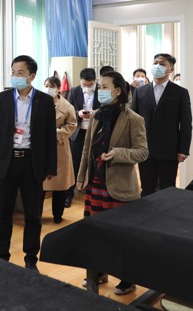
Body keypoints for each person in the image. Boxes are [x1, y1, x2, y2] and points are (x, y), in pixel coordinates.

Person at [76, 71, 148, 296]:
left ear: (117, 91)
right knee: (96, 233)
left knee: (121, 236)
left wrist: (118, 153)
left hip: (119, 186)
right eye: (100, 86)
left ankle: (127, 278)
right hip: (96, 183)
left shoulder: (133, 119)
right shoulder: (96, 115)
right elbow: (87, 148)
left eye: (105, 87)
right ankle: (99, 272)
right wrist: (81, 176)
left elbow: (142, 152)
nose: (101, 90)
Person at [0, 55, 57, 272]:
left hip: (32, 164)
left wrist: (50, 166)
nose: (15, 76)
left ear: (32, 76)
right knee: (3, 214)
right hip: (6, 163)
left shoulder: (44, 101)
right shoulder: (2, 99)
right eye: (13, 72)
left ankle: (31, 259)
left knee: (33, 215)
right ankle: (1, 256)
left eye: (21, 73)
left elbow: (49, 137)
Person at [130, 53, 192, 197]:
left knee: (168, 190)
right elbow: (133, 120)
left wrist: (183, 149)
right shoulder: (140, 91)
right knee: (147, 189)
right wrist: (132, 146)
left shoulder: (180, 92)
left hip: (169, 150)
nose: (157, 66)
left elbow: (186, 123)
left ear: (171, 70)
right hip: (145, 149)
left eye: (162, 64)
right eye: (155, 63)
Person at [42, 76, 77, 223]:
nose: (48, 89)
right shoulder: (39, 102)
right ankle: (36, 215)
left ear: (58, 88)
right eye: (46, 86)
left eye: (51, 86)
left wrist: (53, 133)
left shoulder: (67, 106)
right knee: (39, 185)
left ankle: (58, 215)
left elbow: (72, 125)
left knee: (60, 185)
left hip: (59, 147)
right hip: (41, 148)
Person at [65, 68, 99, 205]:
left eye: (90, 85)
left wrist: (95, 113)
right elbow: (69, 109)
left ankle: (94, 193)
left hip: (96, 132)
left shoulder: (101, 90)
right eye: (84, 84)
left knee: (96, 163)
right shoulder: (74, 91)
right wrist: (78, 113)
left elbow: (106, 108)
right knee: (74, 164)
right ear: (80, 81)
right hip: (78, 133)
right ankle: (68, 195)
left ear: (95, 81)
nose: (87, 87)